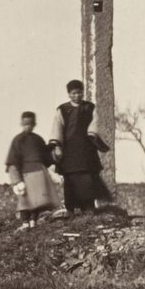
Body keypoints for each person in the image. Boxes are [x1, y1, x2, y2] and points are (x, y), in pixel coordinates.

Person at [49, 81, 112, 214]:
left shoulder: (89, 107)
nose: (77, 95)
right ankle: (71, 209)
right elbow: (57, 128)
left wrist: (92, 134)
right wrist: (58, 147)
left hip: (86, 149)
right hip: (69, 151)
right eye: (74, 93)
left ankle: (88, 208)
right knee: (70, 179)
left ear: (83, 92)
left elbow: (96, 123)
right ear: (69, 94)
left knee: (88, 178)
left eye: (79, 92)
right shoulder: (62, 109)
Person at [6, 111, 59, 228]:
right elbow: (13, 161)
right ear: (21, 124)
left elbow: (45, 155)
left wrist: (53, 148)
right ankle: (25, 222)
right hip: (25, 174)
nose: (27, 127)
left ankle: (33, 220)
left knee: (38, 199)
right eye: (25, 124)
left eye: (30, 124)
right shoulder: (17, 140)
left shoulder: (38, 139)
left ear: (34, 124)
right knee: (25, 199)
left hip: (39, 172)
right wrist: (17, 180)